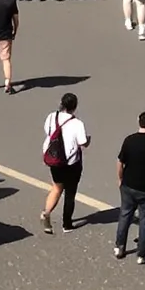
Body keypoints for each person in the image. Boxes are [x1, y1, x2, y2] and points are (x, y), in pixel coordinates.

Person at [41, 93, 90, 234]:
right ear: (75, 106)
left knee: (57, 187)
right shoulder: (77, 123)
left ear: (61, 103)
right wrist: (88, 140)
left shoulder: (52, 116)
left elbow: (48, 132)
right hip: (71, 163)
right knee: (70, 193)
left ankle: (46, 212)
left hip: (54, 159)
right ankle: (67, 224)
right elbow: (83, 143)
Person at [116, 110, 145, 266]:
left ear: (139, 122)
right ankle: (141, 254)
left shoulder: (129, 140)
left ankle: (120, 247)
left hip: (128, 185)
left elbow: (120, 162)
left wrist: (120, 179)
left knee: (125, 215)